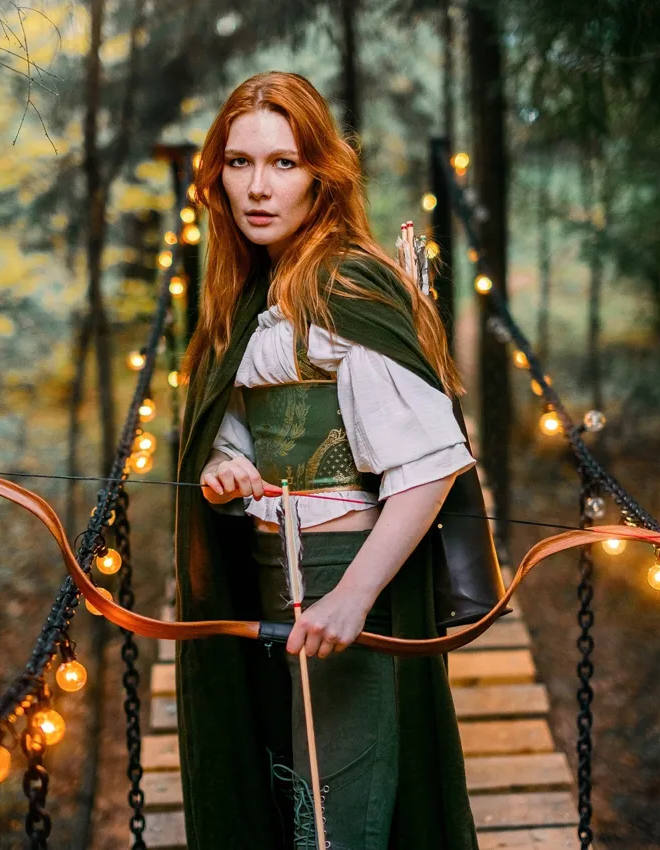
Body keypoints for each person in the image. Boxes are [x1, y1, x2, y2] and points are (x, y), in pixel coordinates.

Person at [174, 71, 479, 850]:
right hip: (272, 565)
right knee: (296, 792)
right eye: (239, 163)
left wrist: (353, 596)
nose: (258, 187)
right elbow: (233, 426)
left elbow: (431, 463)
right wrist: (225, 466)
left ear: (321, 175)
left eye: (284, 163)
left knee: (339, 819)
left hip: (346, 572)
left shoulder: (349, 284)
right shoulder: (248, 290)